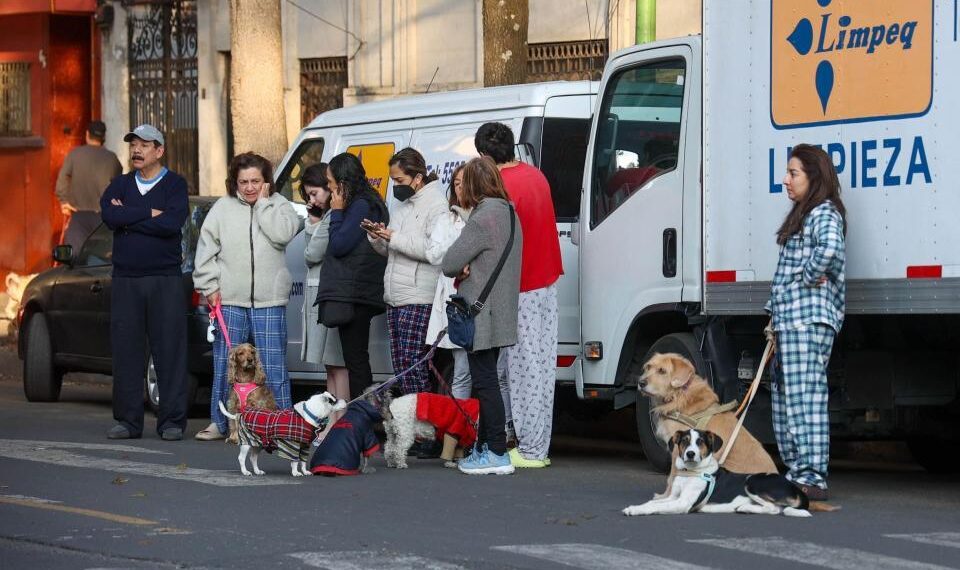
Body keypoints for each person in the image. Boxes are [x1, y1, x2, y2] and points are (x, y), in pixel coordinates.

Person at [192, 152, 300, 441]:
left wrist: (264, 204)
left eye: (255, 181)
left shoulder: (279, 206)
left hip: (269, 300)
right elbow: (205, 251)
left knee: (274, 365)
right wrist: (209, 285)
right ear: (234, 182)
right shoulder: (222, 209)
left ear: (266, 182)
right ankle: (220, 423)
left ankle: (281, 422)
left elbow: (283, 234)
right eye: (243, 182)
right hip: (230, 300)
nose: (250, 187)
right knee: (224, 365)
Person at [475, 122, 561, 468]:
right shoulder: (536, 176)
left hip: (520, 287)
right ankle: (532, 441)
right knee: (538, 368)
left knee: (521, 371)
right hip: (547, 280)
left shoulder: (501, 188)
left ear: (484, 156)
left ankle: (530, 449)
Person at [765, 143, 846, 501]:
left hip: (806, 322)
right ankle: (798, 472)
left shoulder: (823, 212)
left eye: (793, 173)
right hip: (789, 321)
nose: (785, 179)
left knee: (805, 399)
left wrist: (808, 275)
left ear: (813, 177)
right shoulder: (805, 213)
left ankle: (812, 476)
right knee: (786, 399)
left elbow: (829, 249)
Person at [99, 124, 188, 441]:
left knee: (170, 350)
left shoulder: (175, 185)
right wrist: (149, 212)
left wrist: (131, 218)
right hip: (126, 280)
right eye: (133, 144)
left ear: (159, 150)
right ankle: (128, 421)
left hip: (164, 279)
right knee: (126, 351)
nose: (136, 150)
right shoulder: (119, 185)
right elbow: (110, 217)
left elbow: (172, 223)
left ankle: (172, 422)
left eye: (144, 145)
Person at [441, 157, 522, 475]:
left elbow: (449, 262)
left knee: (485, 381)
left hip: (480, 311)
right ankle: (487, 447)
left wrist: (464, 265)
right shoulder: (510, 213)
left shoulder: (482, 218)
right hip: (501, 309)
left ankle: (497, 452)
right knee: (490, 379)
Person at [366, 148, 449, 397]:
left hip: (418, 296)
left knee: (414, 366)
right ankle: (411, 424)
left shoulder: (437, 205)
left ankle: (424, 424)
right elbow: (393, 248)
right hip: (396, 296)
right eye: (392, 180)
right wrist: (377, 237)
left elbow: (434, 251)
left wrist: (394, 237)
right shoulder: (402, 206)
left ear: (418, 177)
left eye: (399, 180)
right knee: (402, 365)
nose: (395, 186)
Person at [314, 153, 389, 399]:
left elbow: (339, 244)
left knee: (356, 360)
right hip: (358, 291)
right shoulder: (367, 201)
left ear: (342, 181)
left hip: (355, 293)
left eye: (330, 181)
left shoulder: (360, 205)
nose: (329, 187)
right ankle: (363, 415)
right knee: (356, 358)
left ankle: (362, 418)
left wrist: (336, 212)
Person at [300, 162, 349, 436]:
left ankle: (339, 419)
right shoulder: (327, 218)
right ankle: (332, 417)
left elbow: (311, 254)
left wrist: (314, 222)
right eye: (308, 195)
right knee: (330, 364)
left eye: (316, 192)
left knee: (337, 363)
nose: (312, 200)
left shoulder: (332, 218)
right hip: (320, 292)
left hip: (328, 294)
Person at [424, 163, 472, 399]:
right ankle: (461, 430)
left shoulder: (483, 216)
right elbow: (433, 254)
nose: (460, 187)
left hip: (480, 299)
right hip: (455, 302)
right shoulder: (446, 218)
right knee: (461, 370)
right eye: (456, 183)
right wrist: (459, 253)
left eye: (465, 182)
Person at [56, 120, 123, 253]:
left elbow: (62, 179)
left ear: (87, 134)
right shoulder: (111, 158)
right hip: (103, 219)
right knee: (102, 258)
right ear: (103, 138)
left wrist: (64, 201)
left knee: (75, 259)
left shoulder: (74, 155)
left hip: (79, 216)